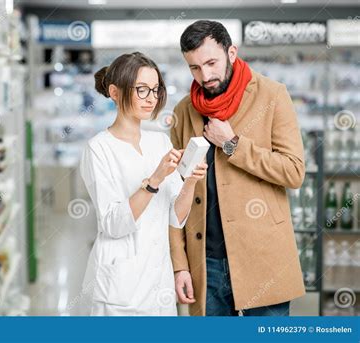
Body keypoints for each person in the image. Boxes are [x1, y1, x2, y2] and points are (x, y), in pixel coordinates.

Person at [170, 20, 306, 316]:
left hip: (262, 255)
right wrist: (180, 265)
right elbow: (174, 194)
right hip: (206, 262)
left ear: (231, 52)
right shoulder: (184, 111)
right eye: (194, 67)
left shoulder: (272, 95)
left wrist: (232, 144)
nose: (204, 75)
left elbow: (294, 171)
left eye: (211, 63)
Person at [78, 52, 208, 316]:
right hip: (119, 289)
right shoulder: (99, 149)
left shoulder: (159, 141)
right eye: (142, 90)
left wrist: (190, 182)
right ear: (115, 92)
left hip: (158, 282)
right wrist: (154, 180)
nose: (151, 98)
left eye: (156, 89)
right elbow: (113, 224)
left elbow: (176, 217)